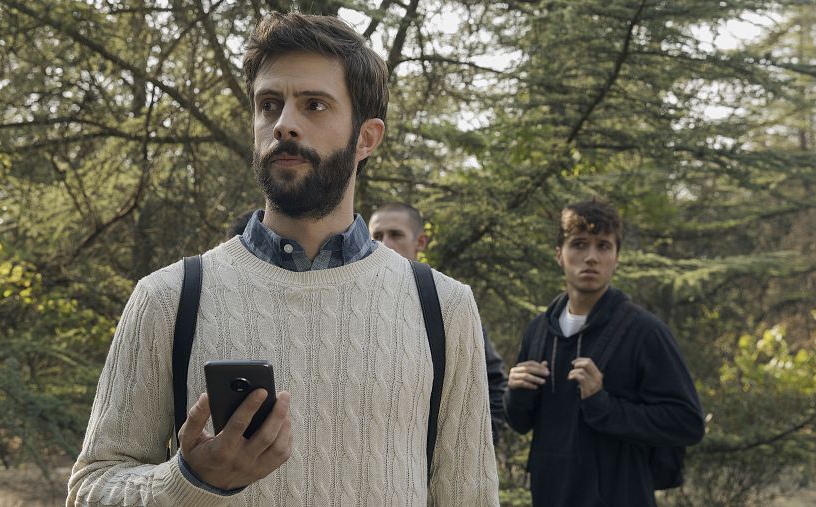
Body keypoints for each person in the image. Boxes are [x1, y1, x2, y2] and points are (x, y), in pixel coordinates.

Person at [67, 12, 499, 506]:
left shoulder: (442, 308)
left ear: (367, 137)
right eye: (269, 105)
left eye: (314, 105)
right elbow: (91, 487)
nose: (284, 125)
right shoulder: (170, 297)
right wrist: (188, 482)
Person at [504, 199, 704, 507]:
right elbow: (521, 422)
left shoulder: (644, 332)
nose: (591, 258)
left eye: (603, 247)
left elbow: (687, 423)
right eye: (579, 245)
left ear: (616, 257)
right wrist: (515, 393)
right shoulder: (539, 329)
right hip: (549, 496)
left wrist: (603, 404)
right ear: (560, 254)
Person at [368, 202, 508, 442]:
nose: (385, 244)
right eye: (377, 236)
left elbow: (492, 386)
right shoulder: (358, 304)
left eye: (396, 235)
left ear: (420, 242)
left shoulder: (446, 304)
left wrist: (470, 449)